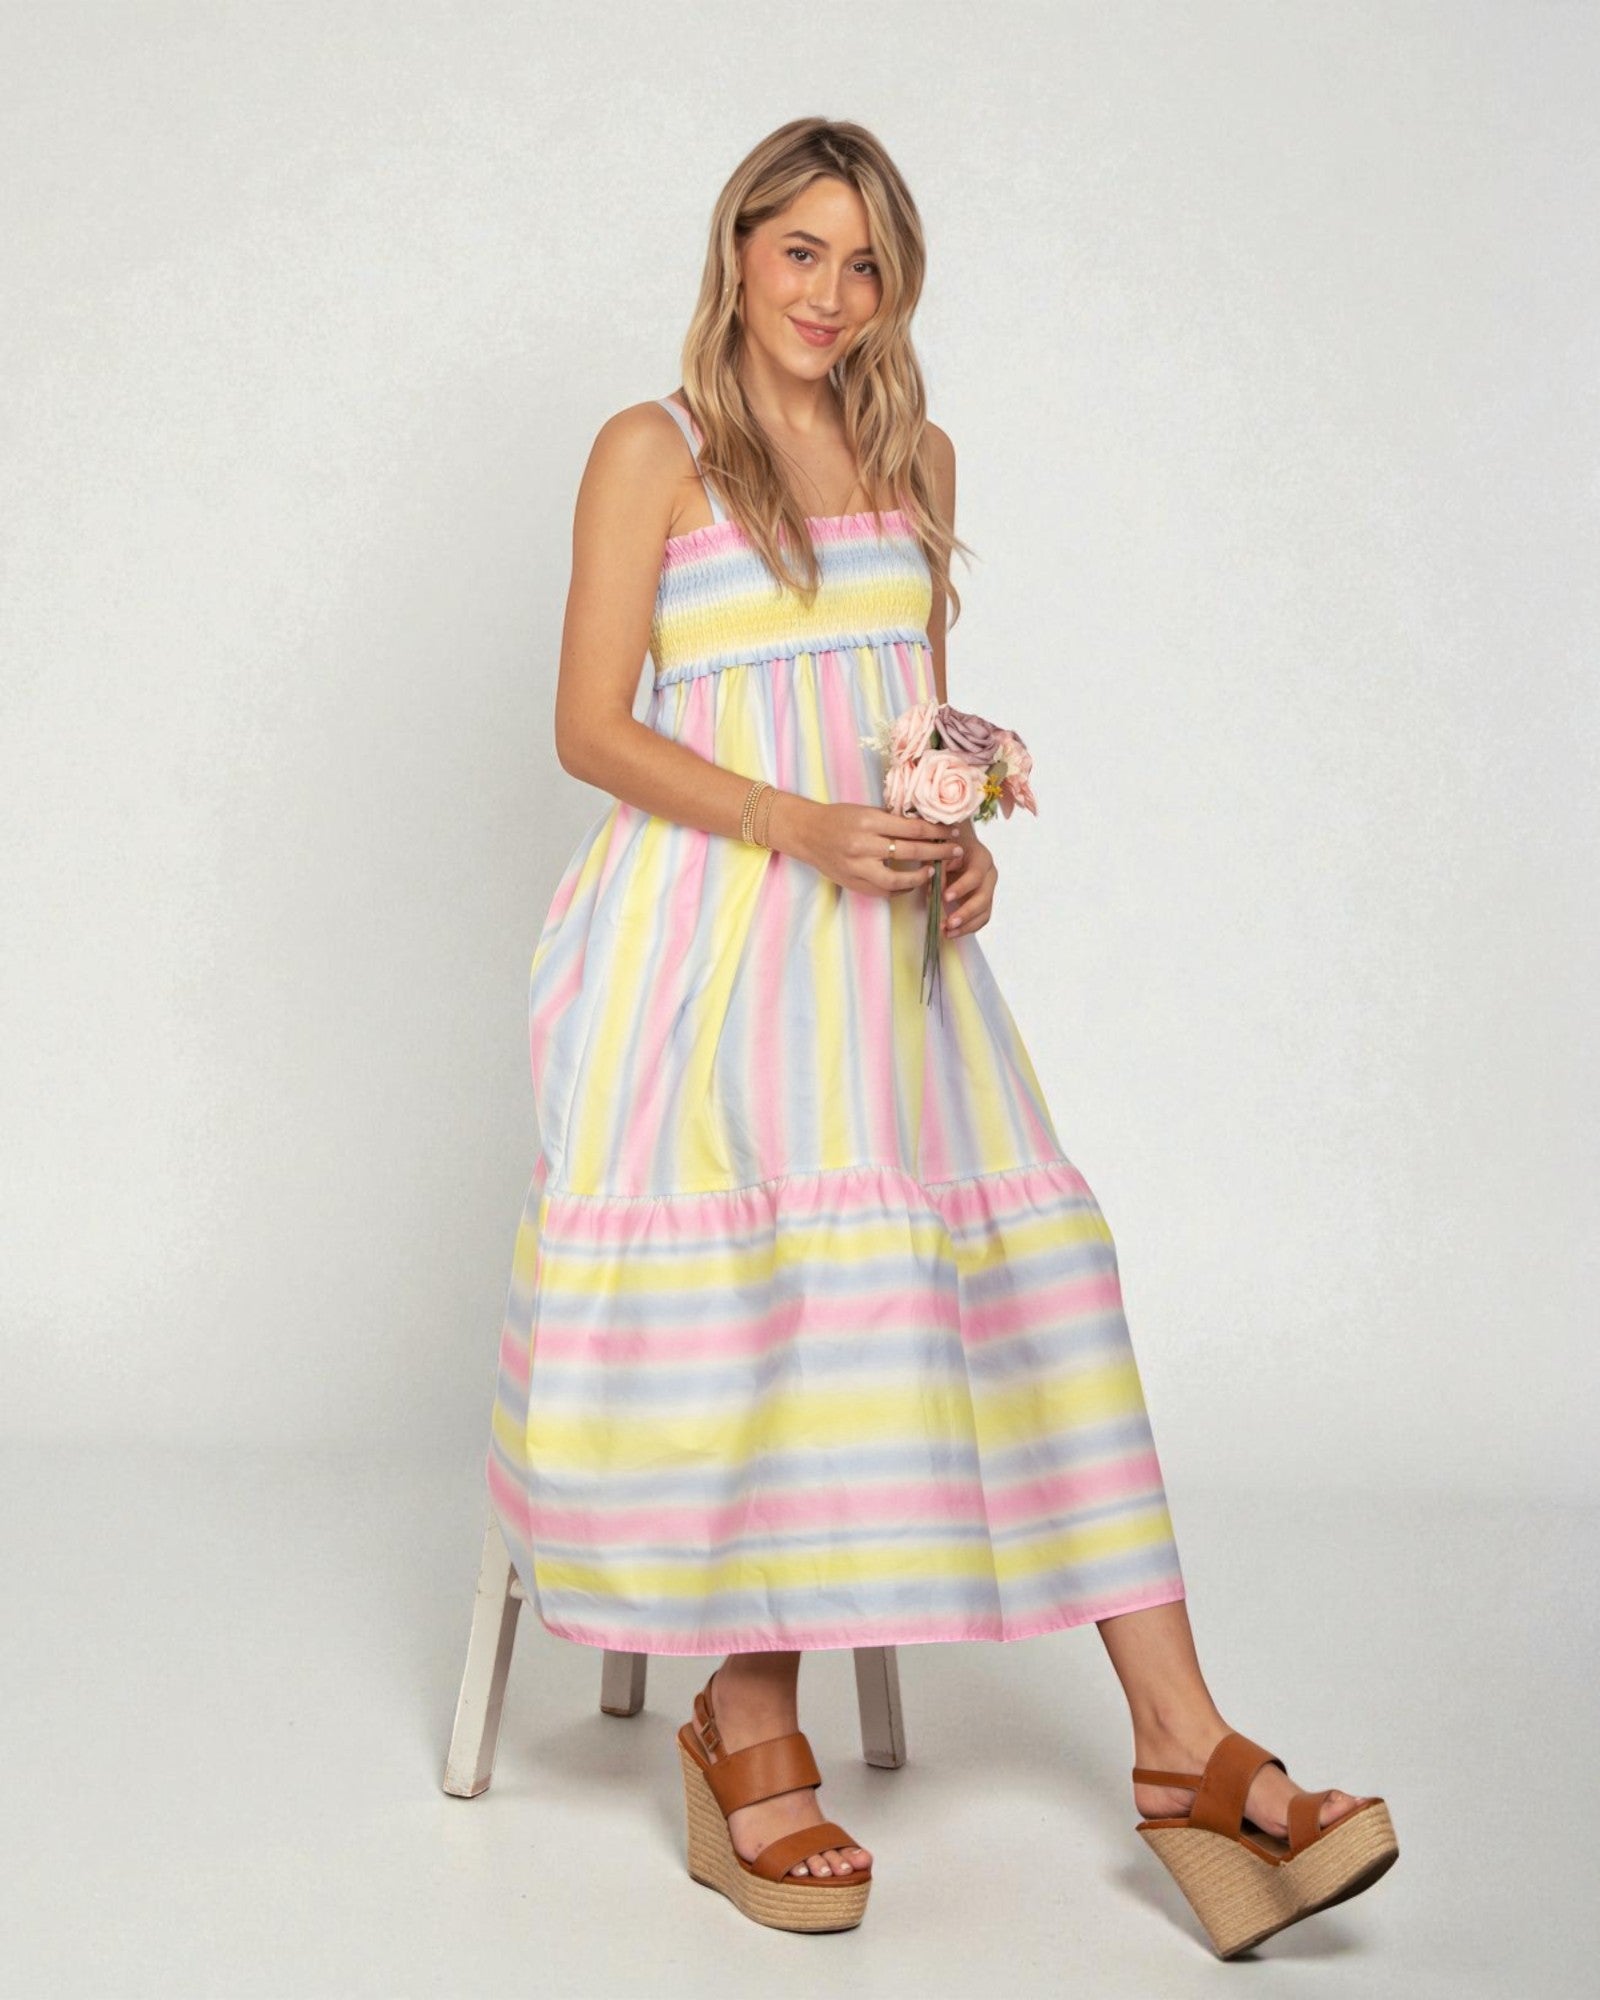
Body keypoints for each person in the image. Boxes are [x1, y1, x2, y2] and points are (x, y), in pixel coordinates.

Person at [484, 116, 1397, 1953]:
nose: (833, 293)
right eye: (802, 250)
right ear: (737, 249)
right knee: (790, 1276)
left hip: (883, 959)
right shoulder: (651, 451)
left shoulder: (917, 455)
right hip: (702, 946)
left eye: (868, 261)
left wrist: (953, 854)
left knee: (1047, 1280)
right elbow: (591, 726)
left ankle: (1181, 1744)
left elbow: (912, 725)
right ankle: (744, 1716)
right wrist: (799, 828)